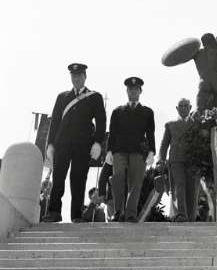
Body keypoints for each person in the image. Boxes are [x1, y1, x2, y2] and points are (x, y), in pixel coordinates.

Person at [43, 63, 106, 223]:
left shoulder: (94, 97)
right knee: (58, 177)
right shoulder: (62, 97)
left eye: (79, 76)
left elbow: (101, 122)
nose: (76, 79)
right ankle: (54, 212)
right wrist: (50, 144)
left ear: (85, 77)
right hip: (62, 144)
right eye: (73, 76)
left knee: (78, 179)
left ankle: (77, 215)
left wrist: (97, 142)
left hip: (83, 145)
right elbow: (55, 122)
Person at [106, 77, 155, 223]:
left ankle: (131, 214)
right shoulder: (118, 111)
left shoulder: (147, 112)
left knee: (136, 183)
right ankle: (118, 212)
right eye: (130, 89)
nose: (133, 92)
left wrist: (151, 152)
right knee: (118, 178)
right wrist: (109, 151)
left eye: (136, 89)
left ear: (140, 91)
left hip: (138, 151)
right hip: (119, 150)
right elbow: (112, 133)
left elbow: (150, 133)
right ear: (127, 91)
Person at [158, 98, 199, 222]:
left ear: (190, 107)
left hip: (192, 161)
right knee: (179, 185)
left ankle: (190, 217)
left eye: (186, 105)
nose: (183, 108)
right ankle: (181, 214)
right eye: (181, 106)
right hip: (176, 160)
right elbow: (164, 145)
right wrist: (161, 159)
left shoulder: (197, 124)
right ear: (177, 108)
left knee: (192, 189)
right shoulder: (170, 125)